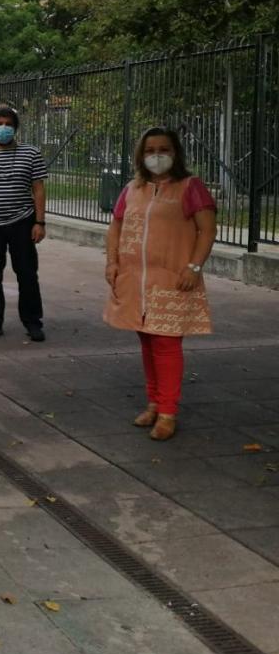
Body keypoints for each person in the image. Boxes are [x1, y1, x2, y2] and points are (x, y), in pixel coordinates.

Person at [105, 127, 215, 441]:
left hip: (173, 280)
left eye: (164, 149)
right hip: (134, 281)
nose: (157, 155)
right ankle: (153, 402)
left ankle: (168, 412)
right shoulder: (132, 189)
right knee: (147, 342)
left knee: (166, 344)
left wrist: (194, 266)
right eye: (150, 149)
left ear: (175, 152)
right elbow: (115, 227)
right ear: (141, 155)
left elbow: (207, 230)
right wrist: (112, 262)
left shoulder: (190, 187)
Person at [0, 107, 48, 342]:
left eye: (8, 124)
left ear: (15, 128)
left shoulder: (31, 154)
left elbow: (38, 189)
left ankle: (33, 321)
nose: (3, 128)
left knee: (27, 274)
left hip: (22, 222)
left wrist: (40, 222)